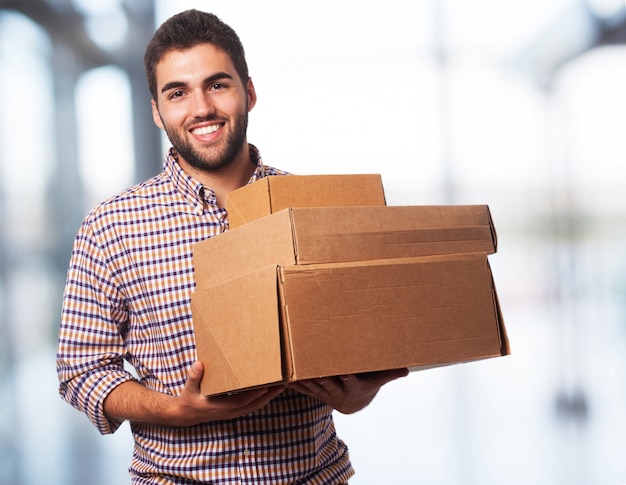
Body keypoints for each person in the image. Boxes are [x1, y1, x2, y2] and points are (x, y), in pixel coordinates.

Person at [56, 9, 408, 484]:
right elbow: (81, 370)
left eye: (217, 85)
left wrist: (357, 395)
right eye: (177, 93)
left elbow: (356, 350)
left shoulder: (314, 211)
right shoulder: (110, 226)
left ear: (250, 92)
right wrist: (173, 409)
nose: (201, 107)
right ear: (157, 112)